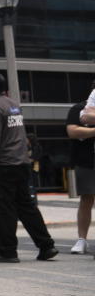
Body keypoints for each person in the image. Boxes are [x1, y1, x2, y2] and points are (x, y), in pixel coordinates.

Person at [0, 71, 58, 263]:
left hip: (2, 166)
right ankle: (46, 246)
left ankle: (7, 251)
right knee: (27, 208)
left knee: (3, 210)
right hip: (21, 164)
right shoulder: (13, 105)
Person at [65, 83, 95, 255]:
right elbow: (73, 131)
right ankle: (82, 239)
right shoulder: (79, 108)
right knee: (86, 199)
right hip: (86, 161)